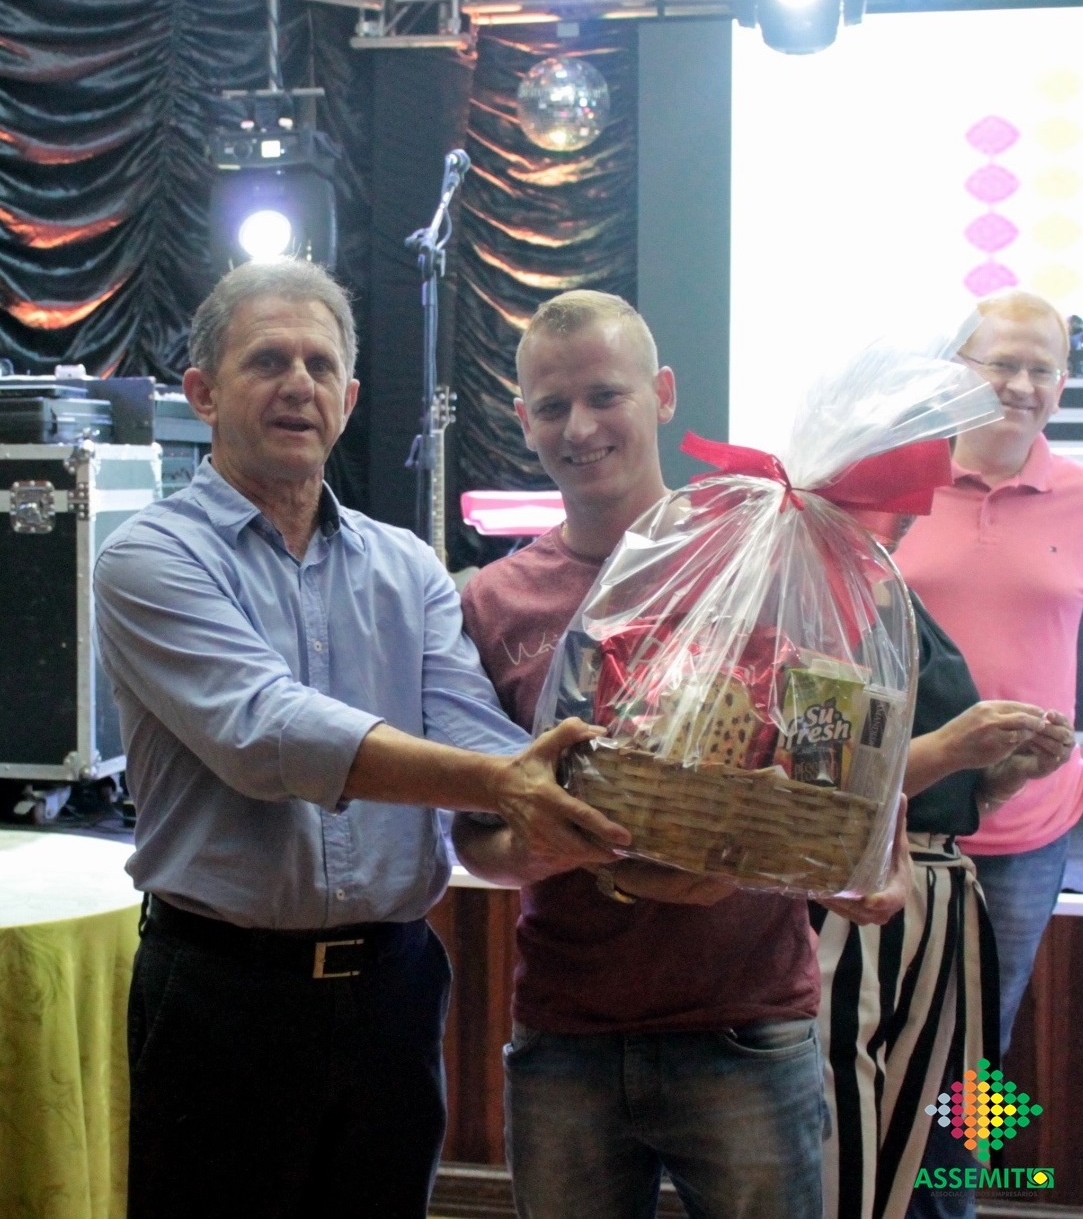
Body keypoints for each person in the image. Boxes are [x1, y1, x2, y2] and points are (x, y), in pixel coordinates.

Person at [92, 259, 631, 1219]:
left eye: (319, 364)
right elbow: (264, 733)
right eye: (267, 361)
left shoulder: (407, 566)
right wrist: (505, 781)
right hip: (222, 994)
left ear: (347, 400)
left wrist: (594, 809)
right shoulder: (149, 555)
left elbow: (473, 734)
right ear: (203, 394)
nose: (297, 384)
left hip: (393, 990)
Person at [453, 290, 905, 1219]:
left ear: (661, 393)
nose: (579, 428)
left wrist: (871, 861)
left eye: (605, 396)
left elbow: (845, 755)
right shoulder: (493, 602)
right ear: (522, 419)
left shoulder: (764, 561)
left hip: (746, 1027)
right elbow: (471, 839)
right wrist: (551, 843)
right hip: (566, 1034)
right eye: (552, 406)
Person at [814, 504, 1074, 1219]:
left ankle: (951, 1201)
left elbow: (931, 781)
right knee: (876, 1088)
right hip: (879, 883)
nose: (914, 505)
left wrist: (1000, 776)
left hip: (975, 865)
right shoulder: (826, 594)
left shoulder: (892, 586)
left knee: (970, 1065)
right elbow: (824, 780)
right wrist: (956, 751)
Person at [894, 290, 1083, 1058]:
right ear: (955, 371)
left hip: (1028, 828)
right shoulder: (892, 486)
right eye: (1001, 363)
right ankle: (896, 1147)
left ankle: (957, 1148)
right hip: (902, 810)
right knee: (882, 1026)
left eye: (1042, 370)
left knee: (981, 1038)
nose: (1021, 385)